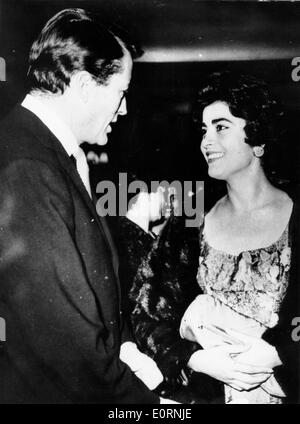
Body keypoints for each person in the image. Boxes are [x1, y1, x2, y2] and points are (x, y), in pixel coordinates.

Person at [0, 8, 171, 403]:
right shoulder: (27, 167)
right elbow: (62, 341)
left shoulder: (46, 151)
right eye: (120, 93)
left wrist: (124, 347)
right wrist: (153, 408)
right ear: (81, 85)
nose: (124, 109)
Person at [127, 72, 299, 403]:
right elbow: (145, 313)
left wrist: (279, 354)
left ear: (258, 139)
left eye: (220, 127)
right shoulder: (190, 221)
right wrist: (195, 358)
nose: (206, 141)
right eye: (204, 130)